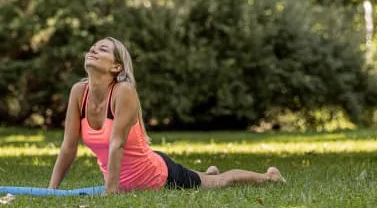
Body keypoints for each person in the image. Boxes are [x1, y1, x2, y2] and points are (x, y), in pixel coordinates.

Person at [48, 37, 286, 194]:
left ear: (116, 67)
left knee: (220, 182)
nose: (92, 50)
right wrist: (52, 191)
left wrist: (110, 193)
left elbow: (116, 144)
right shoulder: (79, 92)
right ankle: (206, 173)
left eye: (102, 49)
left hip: (156, 175)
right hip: (131, 178)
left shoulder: (123, 92)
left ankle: (269, 177)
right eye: (92, 48)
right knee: (202, 177)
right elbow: (69, 146)